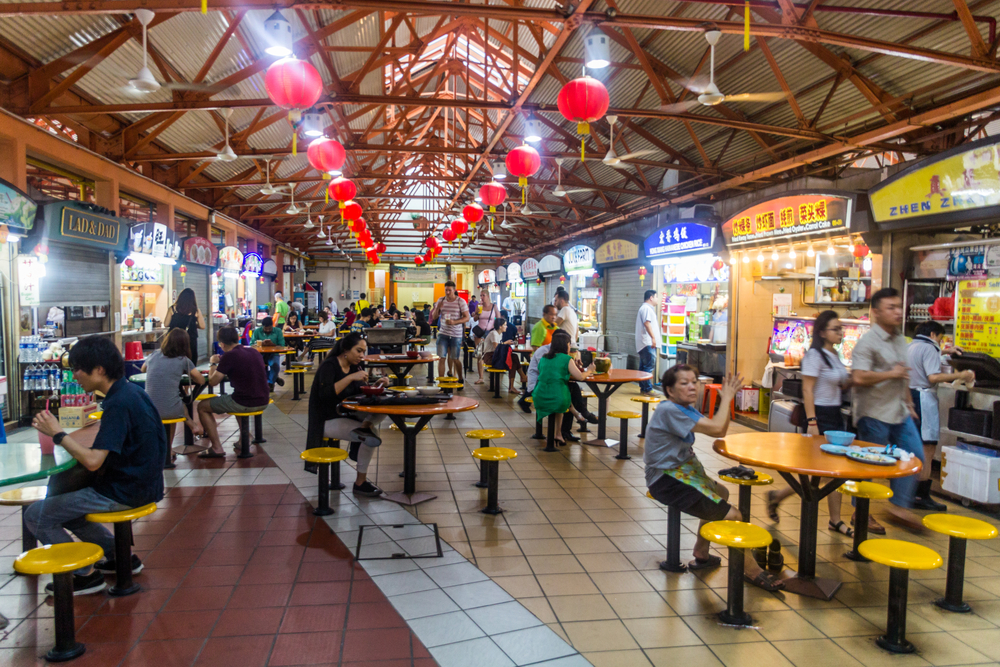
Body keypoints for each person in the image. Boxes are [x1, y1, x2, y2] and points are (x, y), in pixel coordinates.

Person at [26, 337, 167, 594]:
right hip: (145, 484)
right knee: (69, 510)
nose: (74, 375)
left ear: (99, 370)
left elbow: (92, 462)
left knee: (37, 515)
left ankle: (85, 576)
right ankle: (120, 557)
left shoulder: (118, 403)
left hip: (125, 491)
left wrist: (58, 434)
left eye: (78, 368)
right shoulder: (131, 392)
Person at [644, 365, 782, 590]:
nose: (692, 387)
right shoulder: (669, 410)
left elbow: (721, 430)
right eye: (684, 383)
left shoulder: (684, 408)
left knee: (722, 493)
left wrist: (725, 402)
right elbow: (717, 429)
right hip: (666, 480)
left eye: (694, 381)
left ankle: (701, 550)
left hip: (681, 473)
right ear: (669, 390)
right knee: (734, 516)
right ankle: (751, 570)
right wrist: (726, 398)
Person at [765, 311, 858, 536]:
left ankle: (832, 519)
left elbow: (840, 384)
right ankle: (833, 519)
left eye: (840, 329)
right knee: (824, 472)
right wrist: (813, 420)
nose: (840, 333)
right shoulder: (815, 356)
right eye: (835, 329)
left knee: (830, 471)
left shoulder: (833, 355)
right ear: (822, 332)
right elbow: (807, 389)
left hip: (834, 415)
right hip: (820, 416)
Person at [852, 287, 926, 530]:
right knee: (869, 466)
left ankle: (899, 508)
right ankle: (859, 512)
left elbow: (901, 373)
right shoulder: (867, 343)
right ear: (876, 312)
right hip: (873, 413)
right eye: (890, 308)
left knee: (915, 456)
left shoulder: (899, 338)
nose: (897, 312)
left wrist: (909, 402)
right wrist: (889, 374)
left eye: (898, 306)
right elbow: (859, 378)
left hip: (899, 412)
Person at [305, 332, 389, 497]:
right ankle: (360, 482)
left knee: (384, 409)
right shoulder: (329, 366)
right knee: (372, 436)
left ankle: (364, 428)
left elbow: (360, 391)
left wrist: (377, 384)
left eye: (363, 351)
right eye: (358, 351)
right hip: (326, 420)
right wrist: (351, 377)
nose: (361, 355)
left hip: (347, 415)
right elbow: (325, 394)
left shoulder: (355, 366)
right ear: (345, 350)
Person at [908, 320, 975, 511]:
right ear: (933, 335)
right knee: (928, 449)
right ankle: (920, 496)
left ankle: (909, 491)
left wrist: (947, 351)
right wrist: (961, 375)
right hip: (923, 398)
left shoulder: (911, 346)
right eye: (940, 338)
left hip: (910, 397)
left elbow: (928, 356)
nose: (940, 342)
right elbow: (933, 377)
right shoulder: (930, 348)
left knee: (914, 446)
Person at [198, 327, 271, 458]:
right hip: (264, 400)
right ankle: (245, 437)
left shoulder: (229, 356)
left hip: (245, 402)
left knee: (202, 407)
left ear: (222, 344)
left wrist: (213, 364)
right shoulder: (253, 351)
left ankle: (216, 447)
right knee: (235, 396)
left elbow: (213, 381)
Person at [142, 328, 206, 459]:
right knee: (176, 407)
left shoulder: (154, 354)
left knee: (172, 404)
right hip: (170, 409)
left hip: (147, 409)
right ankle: (172, 445)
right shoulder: (183, 360)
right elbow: (200, 380)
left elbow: (143, 369)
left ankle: (164, 449)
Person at [532, 331, 593, 444]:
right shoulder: (566, 359)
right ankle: (559, 432)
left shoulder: (544, 358)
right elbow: (580, 377)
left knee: (560, 395)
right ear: (565, 345)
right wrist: (589, 370)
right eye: (569, 344)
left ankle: (559, 433)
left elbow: (547, 374)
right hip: (558, 398)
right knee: (563, 397)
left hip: (539, 395)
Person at [431, 280, 470, 381]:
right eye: (446, 290)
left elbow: (467, 317)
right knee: (441, 358)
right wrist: (437, 308)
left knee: (455, 359)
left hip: (456, 335)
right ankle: (441, 383)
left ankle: (460, 378)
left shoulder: (460, 301)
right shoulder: (441, 300)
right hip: (443, 333)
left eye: (449, 290)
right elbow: (434, 317)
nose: (447, 292)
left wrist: (454, 322)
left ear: (454, 290)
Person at [483, 317, 526, 392]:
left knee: (513, 357)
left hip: (496, 355)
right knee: (513, 359)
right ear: (500, 326)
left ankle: (514, 384)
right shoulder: (494, 333)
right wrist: (506, 343)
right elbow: (496, 347)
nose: (507, 326)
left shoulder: (500, 334)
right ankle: (521, 378)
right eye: (505, 325)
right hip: (490, 357)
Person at [166, 287, 206, 364]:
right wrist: (194, 325)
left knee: (174, 360)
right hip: (190, 339)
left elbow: (166, 324)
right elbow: (202, 326)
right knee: (190, 361)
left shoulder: (172, 309)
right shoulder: (196, 311)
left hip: (174, 339)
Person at [635, 289, 661, 397]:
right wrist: (653, 338)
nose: (657, 299)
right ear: (651, 297)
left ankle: (643, 388)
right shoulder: (646, 308)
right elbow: (647, 323)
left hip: (645, 342)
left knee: (644, 366)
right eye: (656, 297)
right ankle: (647, 389)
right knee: (648, 366)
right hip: (647, 342)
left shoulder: (646, 308)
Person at [250, 316, 286, 390]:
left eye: (269, 328)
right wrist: (261, 343)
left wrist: (273, 344)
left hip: (273, 353)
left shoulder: (278, 331)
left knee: (275, 365)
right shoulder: (257, 331)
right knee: (259, 367)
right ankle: (273, 378)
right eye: (265, 329)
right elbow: (251, 344)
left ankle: (270, 382)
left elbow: (282, 345)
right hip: (260, 354)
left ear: (272, 326)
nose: (267, 330)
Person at [474, 288, 499, 384]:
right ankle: (481, 377)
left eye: (483, 295)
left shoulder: (494, 306)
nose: (482, 297)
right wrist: (478, 314)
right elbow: (475, 318)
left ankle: (492, 374)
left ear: (488, 296)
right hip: (480, 332)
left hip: (491, 332)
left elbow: (498, 318)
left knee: (491, 353)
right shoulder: (478, 306)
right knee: (480, 354)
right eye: (480, 295)